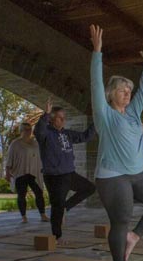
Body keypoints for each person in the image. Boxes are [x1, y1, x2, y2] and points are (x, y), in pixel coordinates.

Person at [89, 25, 143, 261]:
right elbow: (95, 84)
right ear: (110, 94)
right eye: (121, 90)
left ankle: (134, 236)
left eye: (128, 90)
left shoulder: (134, 113)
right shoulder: (104, 115)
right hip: (113, 176)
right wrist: (97, 53)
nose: (127, 93)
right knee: (120, 221)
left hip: (138, 173)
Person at [34, 99, 96, 243]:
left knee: (90, 188)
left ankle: (66, 208)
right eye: (60, 118)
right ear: (52, 119)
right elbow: (38, 130)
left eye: (64, 118)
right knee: (57, 206)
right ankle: (57, 236)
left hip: (69, 173)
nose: (64, 120)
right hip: (54, 176)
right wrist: (45, 114)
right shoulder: (45, 135)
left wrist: (96, 122)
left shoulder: (67, 133)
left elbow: (85, 136)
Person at [5, 121, 48, 224]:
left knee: (39, 193)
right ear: (21, 131)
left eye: (30, 130)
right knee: (21, 194)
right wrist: (7, 172)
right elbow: (9, 158)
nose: (29, 132)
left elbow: (41, 155)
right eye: (26, 130)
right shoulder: (15, 143)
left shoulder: (35, 143)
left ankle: (43, 215)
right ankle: (24, 217)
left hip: (34, 172)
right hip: (21, 172)